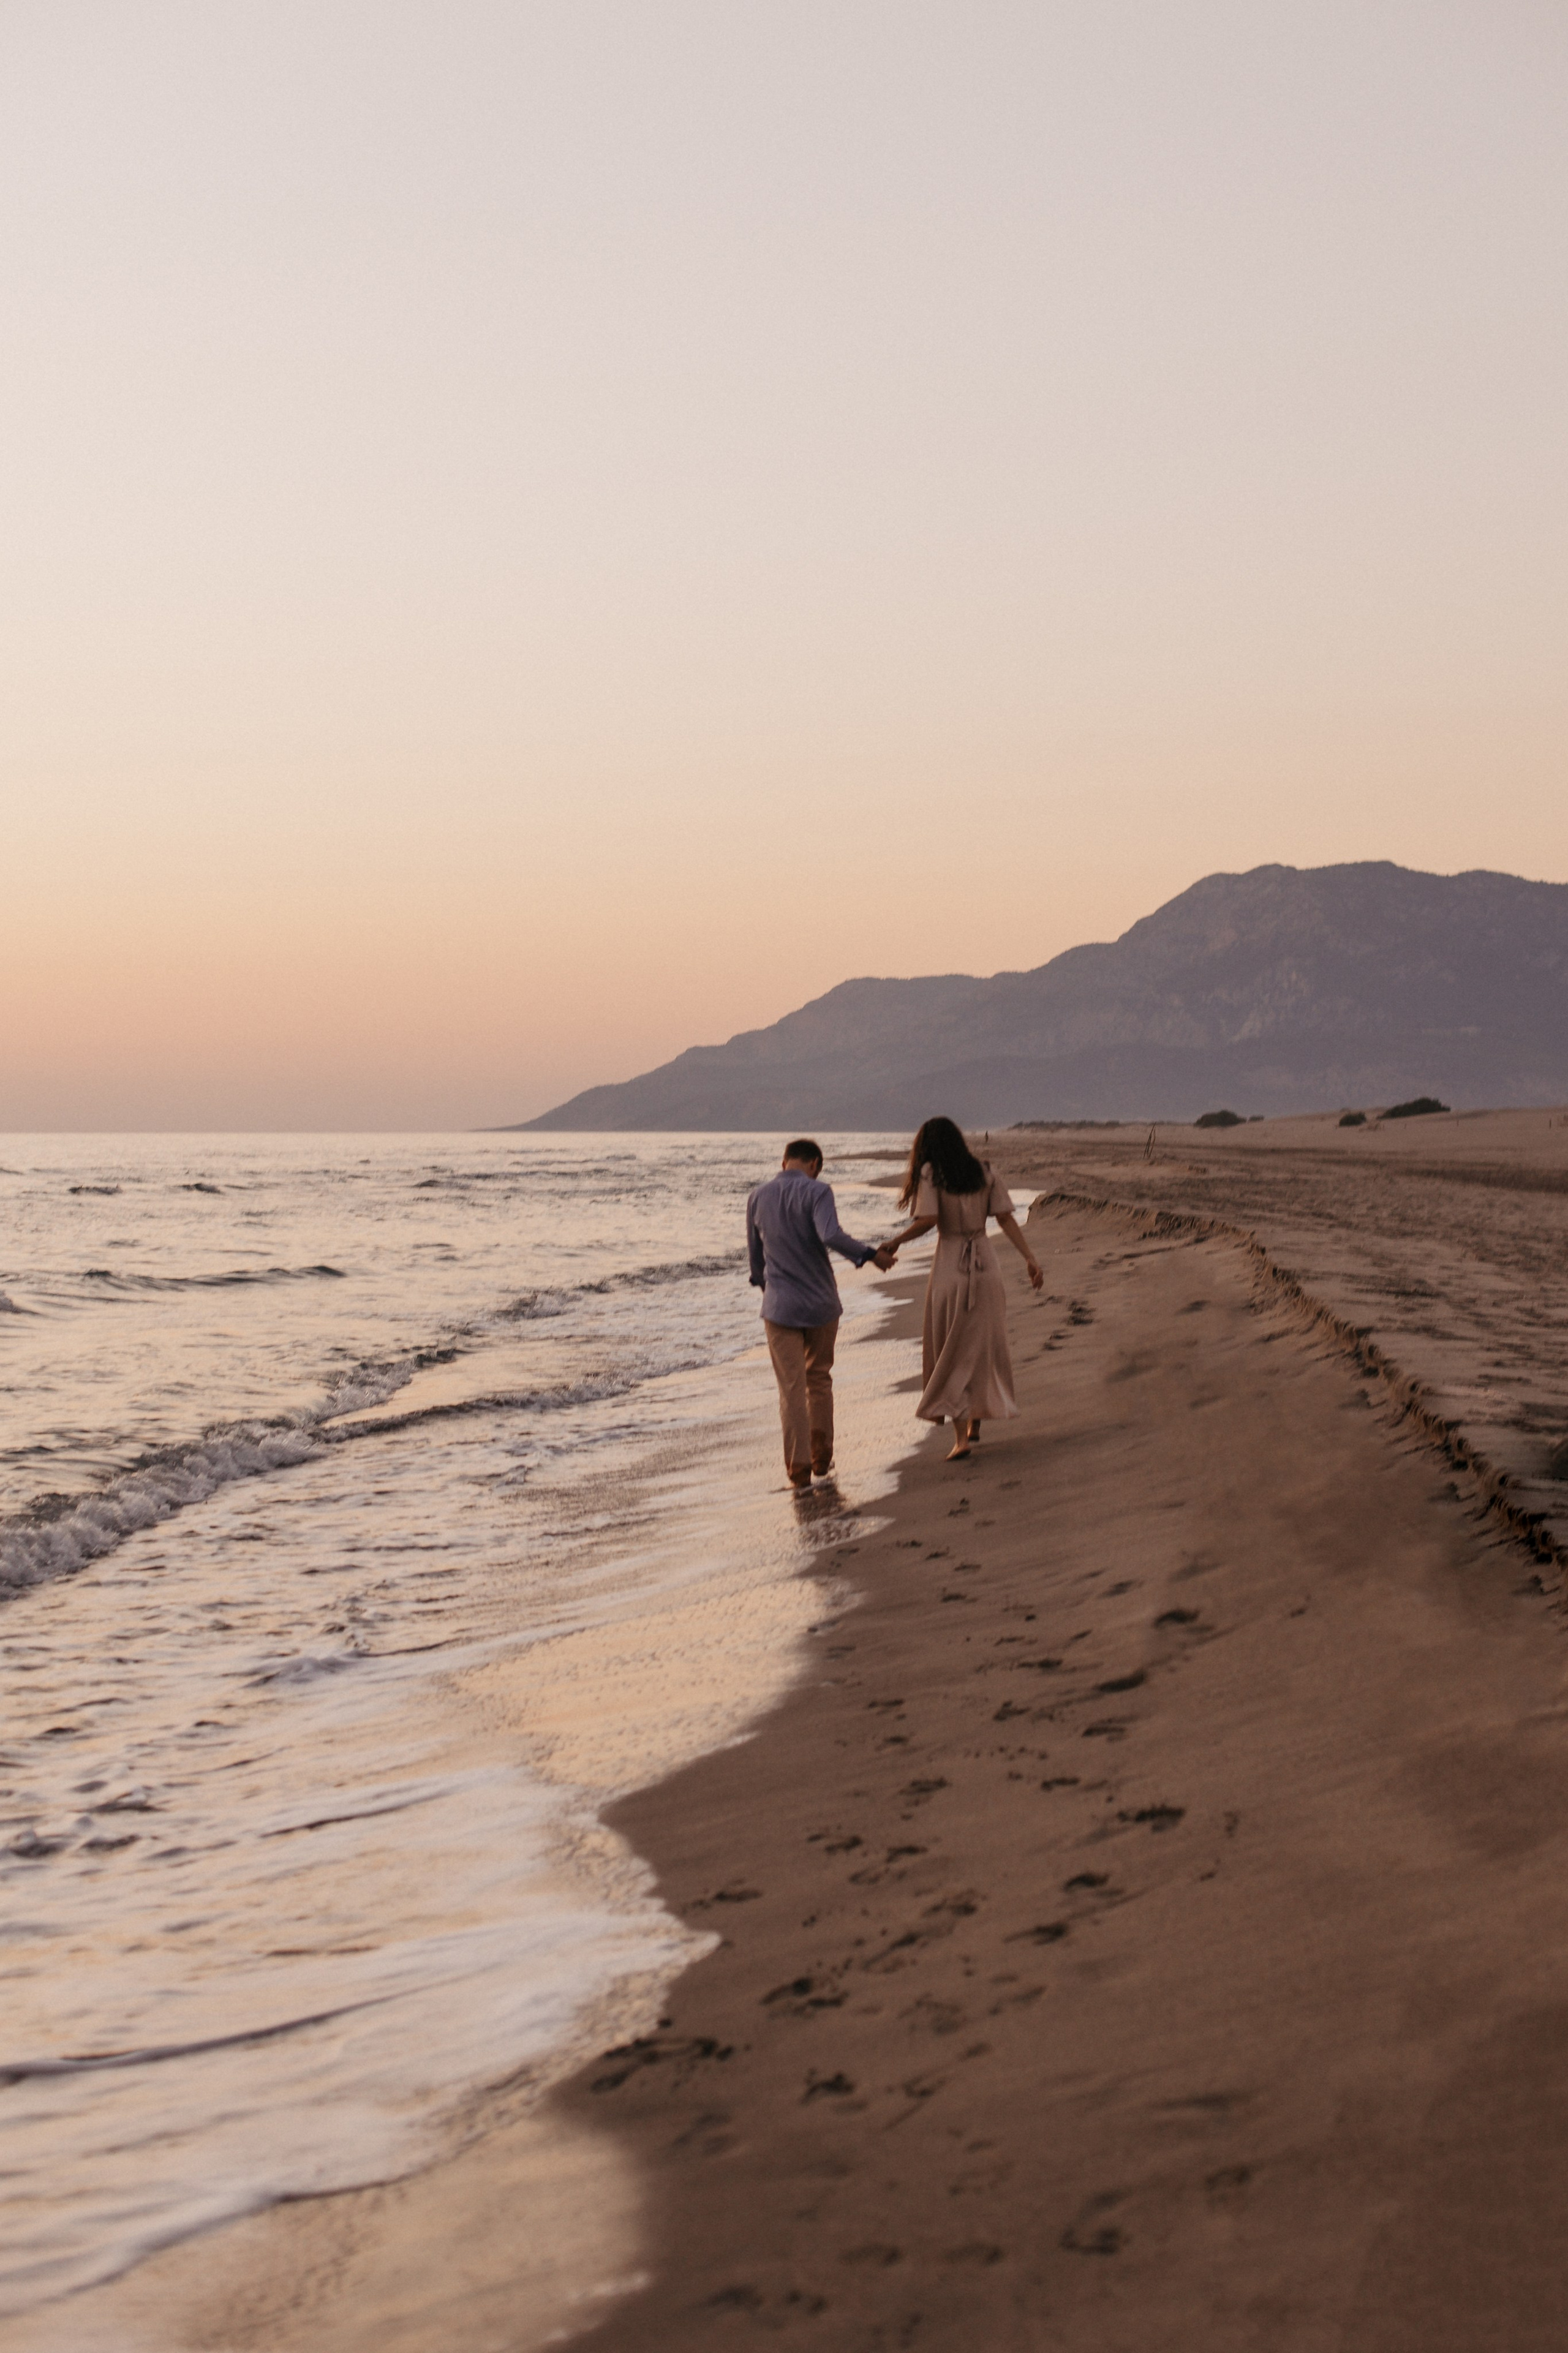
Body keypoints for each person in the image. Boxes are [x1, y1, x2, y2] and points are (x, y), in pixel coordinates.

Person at [882, 1114, 1044, 1460]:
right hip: (987, 1265)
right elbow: (1005, 1217)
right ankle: (975, 1422)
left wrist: (896, 1242)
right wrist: (1030, 1258)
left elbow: (929, 1220)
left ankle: (961, 1439)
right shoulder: (985, 1171)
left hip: (951, 1265)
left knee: (951, 1348)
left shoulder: (931, 1173)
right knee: (982, 1345)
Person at [747, 1139, 896, 1489]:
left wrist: (767, 1289)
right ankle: (821, 1457)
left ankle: (798, 1469)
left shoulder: (757, 1196)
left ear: (784, 1162)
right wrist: (870, 1255)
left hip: (780, 1307)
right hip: (821, 1302)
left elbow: (755, 1257)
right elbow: (830, 1234)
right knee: (819, 1378)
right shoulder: (819, 1191)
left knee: (791, 1388)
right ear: (815, 1164)